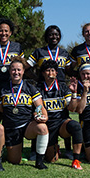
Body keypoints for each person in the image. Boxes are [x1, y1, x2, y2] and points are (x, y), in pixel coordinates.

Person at [26, 25, 73, 160]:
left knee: (64, 116)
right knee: (39, 115)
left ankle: (68, 150)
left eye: (57, 34)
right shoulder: (39, 52)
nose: (54, 37)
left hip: (60, 88)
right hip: (43, 88)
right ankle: (34, 151)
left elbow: (69, 71)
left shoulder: (64, 53)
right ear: (46, 37)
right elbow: (26, 67)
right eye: (51, 34)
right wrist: (37, 78)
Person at [0, 57, 49, 169]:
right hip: (11, 127)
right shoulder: (3, 88)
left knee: (42, 128)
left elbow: (39, 106)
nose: (16, 72)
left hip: (27, 125)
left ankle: (39, 161)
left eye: (19, 70)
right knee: (14, 161)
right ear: (10, 71)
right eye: (13, 70)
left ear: (23, 71)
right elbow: (0, 108)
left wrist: (43, 117)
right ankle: (7, 147)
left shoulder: (30, 87)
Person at [37, 60, 83, 170]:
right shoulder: (38, 88)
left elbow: (72, 108)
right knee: (51, 159)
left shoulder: (62, 87)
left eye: (53, 70)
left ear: (57, 73)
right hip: (47, 125)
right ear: (43, 73)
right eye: (47, 70)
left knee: (76, 126)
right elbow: (37, 108)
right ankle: (55, 148)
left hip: (62, 122)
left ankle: (76, 160)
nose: (50, 73)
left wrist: (74, 93)